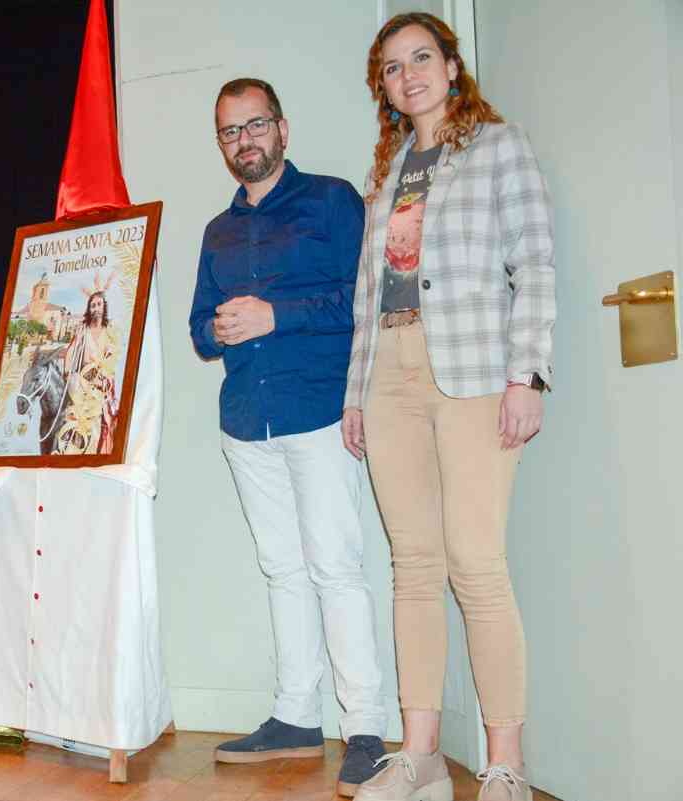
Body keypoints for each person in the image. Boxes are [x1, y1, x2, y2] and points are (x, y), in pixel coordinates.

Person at [342, 14, 555, 801]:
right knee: (413, 568)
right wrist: (356, 392)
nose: (410, 75)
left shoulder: (499, 147)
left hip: (471, 367)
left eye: (421, 58)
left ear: (451, 64)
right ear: (386, 90)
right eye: (393, 69)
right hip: (390, 373)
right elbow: (371, 296)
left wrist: (525, 375)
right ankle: (421, 754)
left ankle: (506, 765)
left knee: (477, 563)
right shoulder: (390, 170)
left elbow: (534, 262)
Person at [188, 77, 388, 796]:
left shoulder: (333, 201)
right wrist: (214, 328)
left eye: (255, 125)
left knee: (337, 567)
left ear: (283, 127)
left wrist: (277, 314)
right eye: (230, 132)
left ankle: (365, 727)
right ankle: (297, 715)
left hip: (321, 411)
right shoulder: (217, 230)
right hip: (245, 420)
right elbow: (198, 327)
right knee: (283, 570)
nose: (245, 140)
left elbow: (362, 298)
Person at [60, 279, 119, 454]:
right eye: (92, 305)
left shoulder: (111, 331)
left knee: (104, 420)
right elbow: (71, 352)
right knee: (74, 421)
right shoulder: (82, 330)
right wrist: (68, 373)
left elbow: (113, 358)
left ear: (104, 306)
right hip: (82, 385)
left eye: (99, 304)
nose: (95, 308)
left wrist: (103, 377)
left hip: (102, 385)